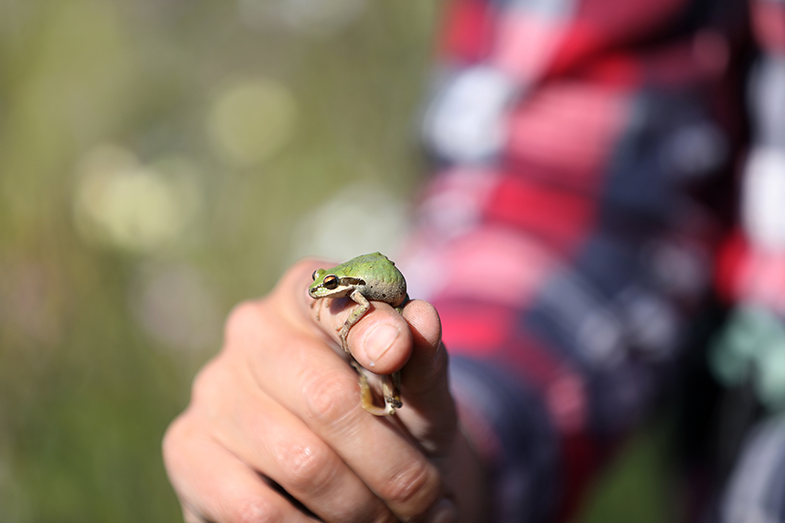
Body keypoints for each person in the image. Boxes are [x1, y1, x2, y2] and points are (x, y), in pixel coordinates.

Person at [162, 0, 785, 521]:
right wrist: (441, 442)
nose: (328, 291)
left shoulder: (357, 285)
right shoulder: (349, 296)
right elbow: (563, 196)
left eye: (330, 287)